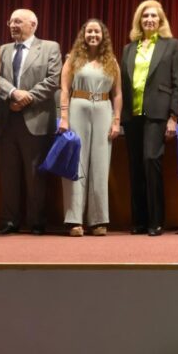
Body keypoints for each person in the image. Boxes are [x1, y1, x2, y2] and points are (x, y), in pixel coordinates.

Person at [0, 9, 62, 236]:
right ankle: (9, 221)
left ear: (33, 24)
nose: (13, 25)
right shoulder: (2, 50)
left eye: (18, 21)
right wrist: (13, 93)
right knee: (8, 174)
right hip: (7, 119)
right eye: (11, 21)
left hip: (36, 119)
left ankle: (36, 221)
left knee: (35, 176)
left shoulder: (50, 47)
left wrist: (28, 98)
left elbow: (53, 79)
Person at [121, 0, 178, 236]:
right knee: (135, 167)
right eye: (145, 16)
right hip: (132, 114)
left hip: (158, 114)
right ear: (139, 20)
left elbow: (177, 83)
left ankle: (156, 220)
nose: (149, 20)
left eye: (153, 16)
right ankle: (139, 221)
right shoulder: (129, 48)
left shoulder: (171, 45)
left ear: (160, 20)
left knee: (151, 161)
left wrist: (173, 116)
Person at [58, 19, 122, 237]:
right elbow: (64, 89)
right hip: (78, 107)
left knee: (100, 164)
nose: (93, 35)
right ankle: (74, 219)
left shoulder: (111, 61)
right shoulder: (73, 59)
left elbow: (118, 94)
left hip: (103, 109)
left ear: (103, 36)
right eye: (89, 31)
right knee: (77, 162)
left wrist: (116, 120)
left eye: (97, 32)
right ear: (83, 35)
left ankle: (98, 220)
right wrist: (64, 117)